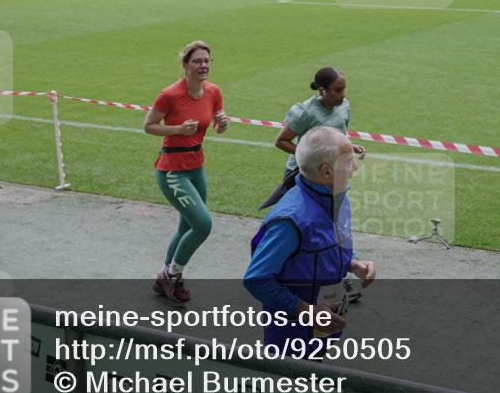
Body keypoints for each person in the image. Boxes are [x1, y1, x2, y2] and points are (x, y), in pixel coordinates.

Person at [244, 126, 376, 351]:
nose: (354, 168)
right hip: (291, 330)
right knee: (290, 380)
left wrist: (352, 262)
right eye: (348, 162)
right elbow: (256, 279)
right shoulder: (290, 221)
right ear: (326, 172)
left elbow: (332, 239)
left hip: (325, 317)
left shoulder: (338, 197)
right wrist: (308, 312)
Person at [144, 40, 229, 303]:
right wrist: (178, 129)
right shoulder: (169, 94)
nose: (203, 66)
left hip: (196, 166)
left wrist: (221, 126)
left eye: (207, 61)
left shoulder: (213, 92)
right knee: (202, 224)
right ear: (185, 65)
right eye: (197, 61)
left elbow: (215, 125)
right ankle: (173, 276)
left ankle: (165, 278)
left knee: (186, 228)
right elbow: (149, 125)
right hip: (172, 171)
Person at [259, 67, 365, 210]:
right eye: (338, 90)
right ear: (323, 90)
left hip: (333, 171)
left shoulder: (344, 105)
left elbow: (336, 136)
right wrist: (312, 157)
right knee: (300, 214)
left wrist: (350, 146)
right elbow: (281, 141)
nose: (343, 94)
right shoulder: (305, 112)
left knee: (331, 214)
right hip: (303, 172)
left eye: (344, 89)